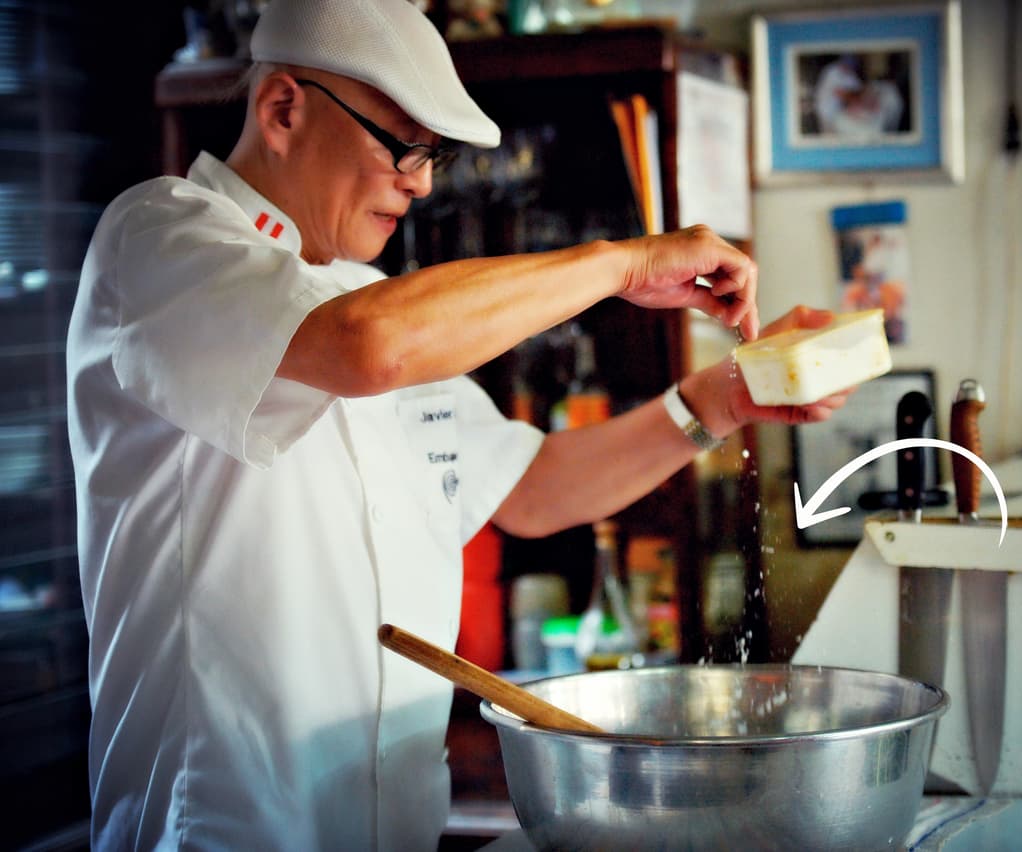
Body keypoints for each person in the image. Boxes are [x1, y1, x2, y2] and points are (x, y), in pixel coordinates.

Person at [65, 0, 853, 848]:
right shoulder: (159, 238)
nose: (423, 180)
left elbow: (537, 489)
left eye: (433, 154)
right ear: (283, 108)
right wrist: (620, 262)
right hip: (222, 827)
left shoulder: (363, 299)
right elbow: (367, 349)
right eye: (401, 144)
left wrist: (723, 401)